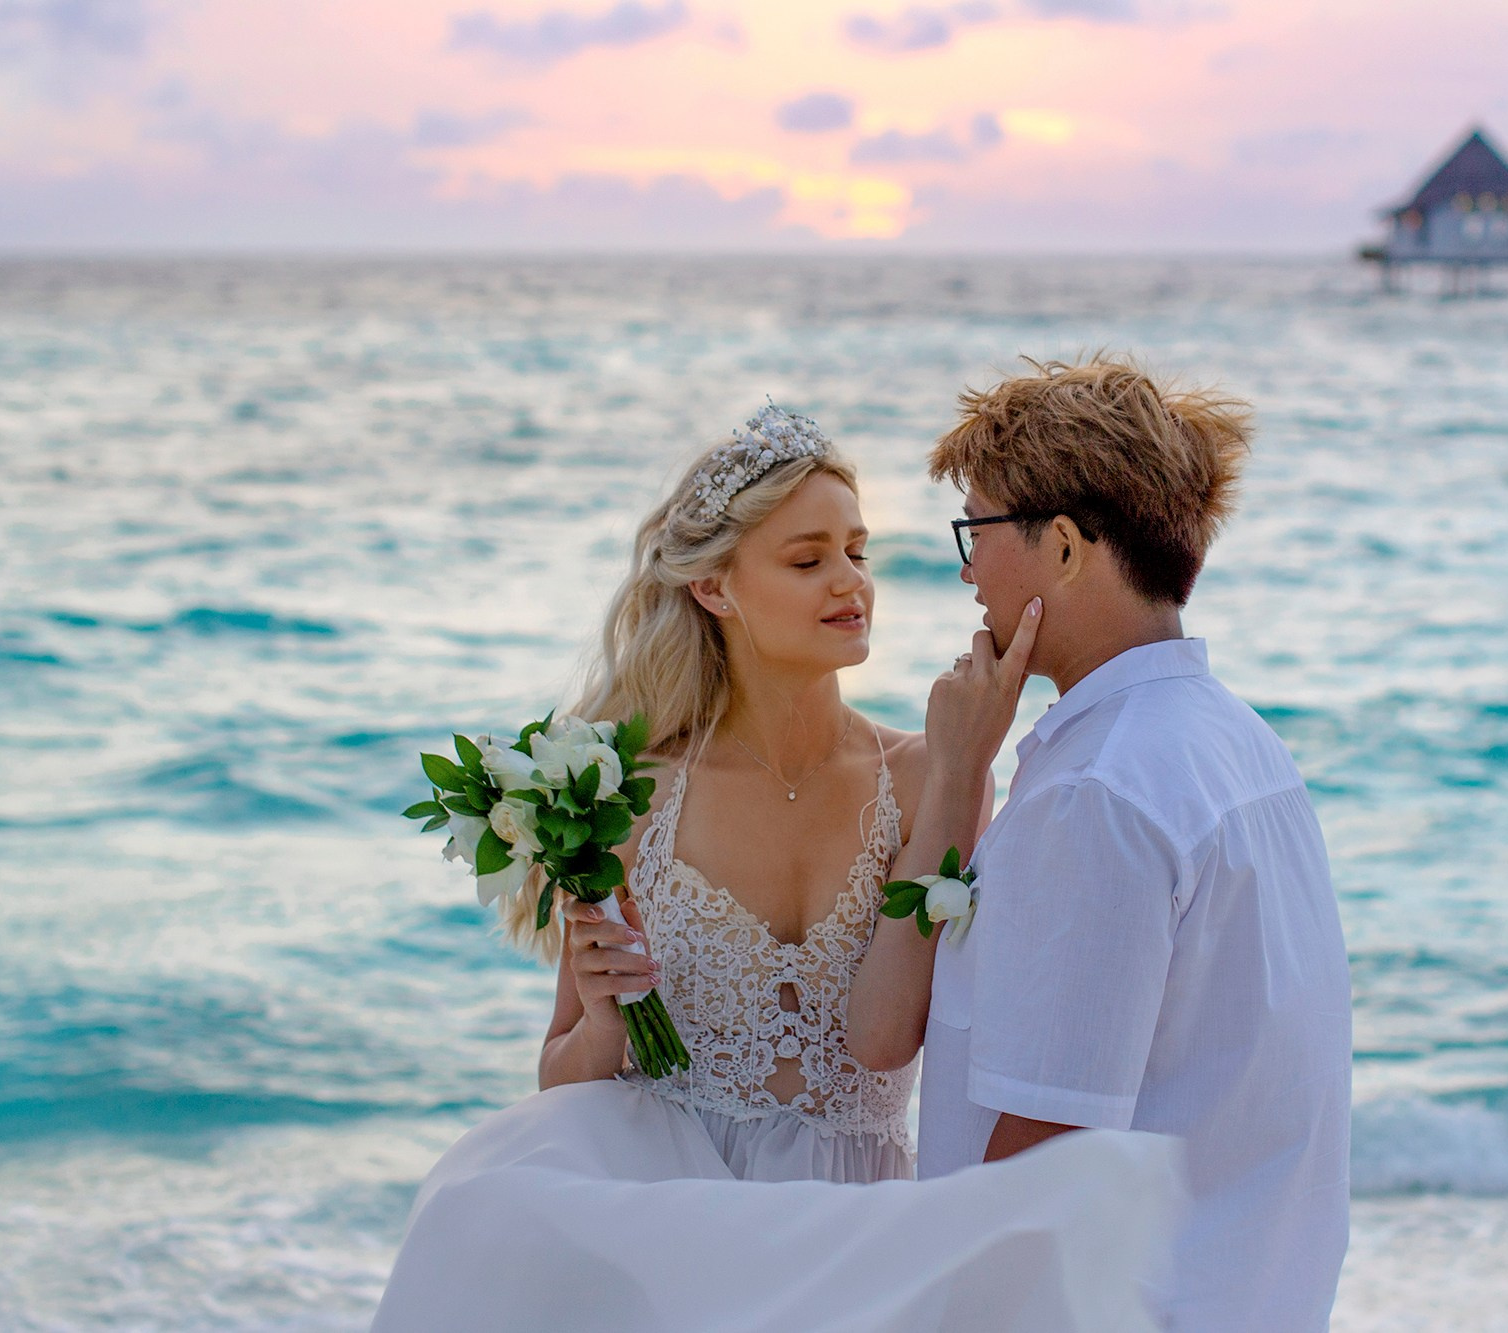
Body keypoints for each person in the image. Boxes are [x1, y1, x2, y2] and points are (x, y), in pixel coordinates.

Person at [372, 405, 1182, 1333]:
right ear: (717, 586)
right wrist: (601, 1016)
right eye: (808, 560)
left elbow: (883, 1036)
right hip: (671, 1239)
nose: (850, 583)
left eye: (858, 552)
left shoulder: (925, 774)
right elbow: (564, 1074)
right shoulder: (630, 792)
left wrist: (962, 772)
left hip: (850, 1239)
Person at [850, 357, 1355, 1332]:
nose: (966, 569)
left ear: (1069, 549)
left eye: (978, 532)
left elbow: (1047, 1154)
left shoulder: (1095, 789)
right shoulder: (1234, 742)